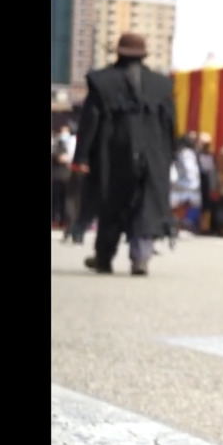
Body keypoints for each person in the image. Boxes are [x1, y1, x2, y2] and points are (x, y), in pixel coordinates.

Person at [72, 33, 177, 275]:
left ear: (118, 53)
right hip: (153, 153)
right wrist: (168, 156)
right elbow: (170, 124)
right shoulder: (161, 85)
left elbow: (90, 122)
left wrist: (82, 157)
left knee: (111, 202)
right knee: (146, 203)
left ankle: (104, 257)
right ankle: (140, 257)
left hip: (113, 152)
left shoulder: (102, 81)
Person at [53, 125, 75, 229]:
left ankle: (64, 220)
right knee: (56, 199)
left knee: (65, 200)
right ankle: (55, 220)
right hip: (56, 176)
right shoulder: (56, 144)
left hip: (67, 176)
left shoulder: (71, 143)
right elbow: (59, 157)